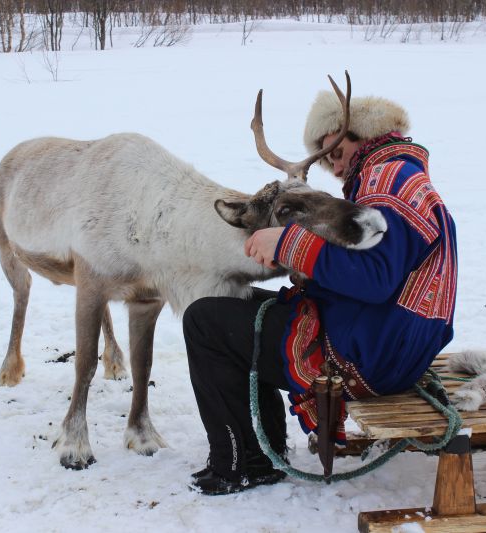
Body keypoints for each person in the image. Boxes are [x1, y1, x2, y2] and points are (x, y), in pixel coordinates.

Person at [183, 90, 458, 495]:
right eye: (323, 154)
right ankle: (266, 445)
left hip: (366, 357)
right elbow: (382, 276)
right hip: (389, 345)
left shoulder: (387, 182)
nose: (331, 162)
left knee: (204, 322)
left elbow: (375, 277)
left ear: (353, 132)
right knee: (234, 308)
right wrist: (309, 274)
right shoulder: (400, 175)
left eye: (333, 148)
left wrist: (287, 244)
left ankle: (241, 463)